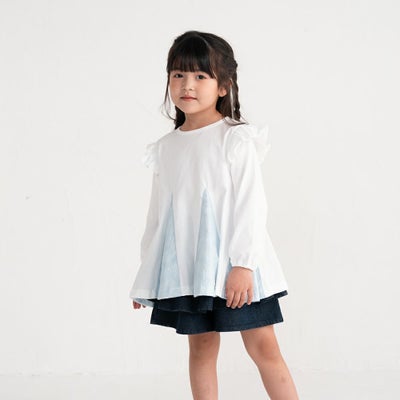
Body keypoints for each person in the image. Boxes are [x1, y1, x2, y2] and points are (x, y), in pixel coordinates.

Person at [129, 30, 299, 400]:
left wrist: (244, 265)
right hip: (192, 271)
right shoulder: (166, 148)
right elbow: (157, 216)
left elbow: (251, 205)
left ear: (223, 86)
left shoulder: (234, 138)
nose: (187, 85)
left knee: (263, 346)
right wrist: (147, 275)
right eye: (178, 74)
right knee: (201, 347)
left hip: (239, 269)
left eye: (200, 76)